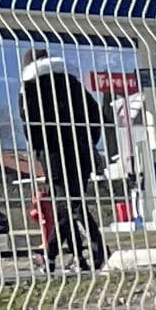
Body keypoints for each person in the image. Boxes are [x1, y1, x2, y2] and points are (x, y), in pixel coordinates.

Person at [18, 52, 108, 273]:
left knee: (68, 204)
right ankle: (68, 257)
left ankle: (95, 250)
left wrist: (40, 148)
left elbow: (28, 123)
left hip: (54, 154)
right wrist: (88, 141)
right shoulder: (73, 83)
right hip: (81, 150)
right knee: (70, 203)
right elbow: (95, 115)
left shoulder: (31, 87)